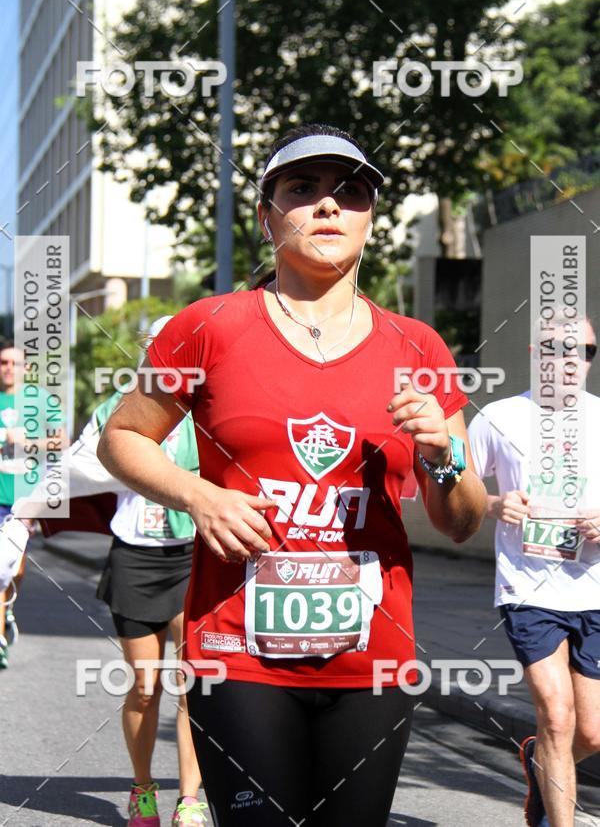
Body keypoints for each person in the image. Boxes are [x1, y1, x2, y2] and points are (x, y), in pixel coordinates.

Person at [98, 123, 487, 827]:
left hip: (372, 659)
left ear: (371, 218)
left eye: (352, 191)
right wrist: (198, 495)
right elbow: (121, 438)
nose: (330, 205)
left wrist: (442, 455)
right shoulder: (208, 327)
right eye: (304, 188)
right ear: (266, 215)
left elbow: (461, 521)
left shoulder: (417, 347)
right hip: (236, 652)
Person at [9, 318, 207, 827]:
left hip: (194, 555)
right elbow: (74, 469)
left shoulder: (208, 410)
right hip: (136, 558)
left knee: (192, 683)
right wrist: (24, 517)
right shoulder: (118, 409)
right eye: (159, 346)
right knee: (144, 686)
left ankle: (190, 798)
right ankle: (143, 789)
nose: (169, 355)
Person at [468, 318, 600, 827]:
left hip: (593, 590)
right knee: (557, 717)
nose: (571, 360)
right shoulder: (500, 418)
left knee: (590, 733)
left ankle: (540, 762)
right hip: (528, 588)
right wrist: (494, 504)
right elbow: (452, 492)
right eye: (558, 348)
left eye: (584, 351)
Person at [0, 342, 67, 667]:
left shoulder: (41, 400)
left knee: (17, 568)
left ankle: (8, 607)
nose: (8, 368)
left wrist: (25, 441)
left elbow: (61, 440)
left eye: (15, 363)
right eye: (3, 362)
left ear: (26, 368)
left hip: (24, 501)